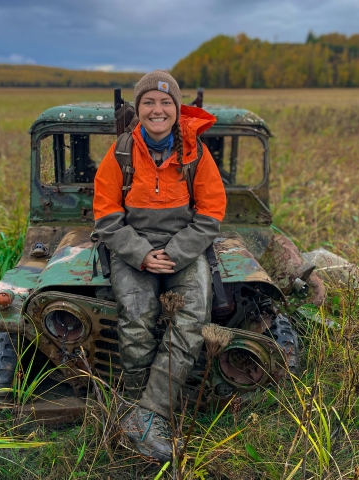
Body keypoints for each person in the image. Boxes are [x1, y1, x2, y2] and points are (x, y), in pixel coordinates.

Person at [93, 70, 226, 463]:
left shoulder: (196, 153)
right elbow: (106, 216)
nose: (157, 109)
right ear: (138, 109)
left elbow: (211, 213)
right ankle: (138, 409)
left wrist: (177, 252)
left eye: (165, 102)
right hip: (132, 249)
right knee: (136, 317)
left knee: (190, 320)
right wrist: (139, 253)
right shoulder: (120, 153)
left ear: (176, 108)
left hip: (182, 250)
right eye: (149, 102)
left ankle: (146, 416)